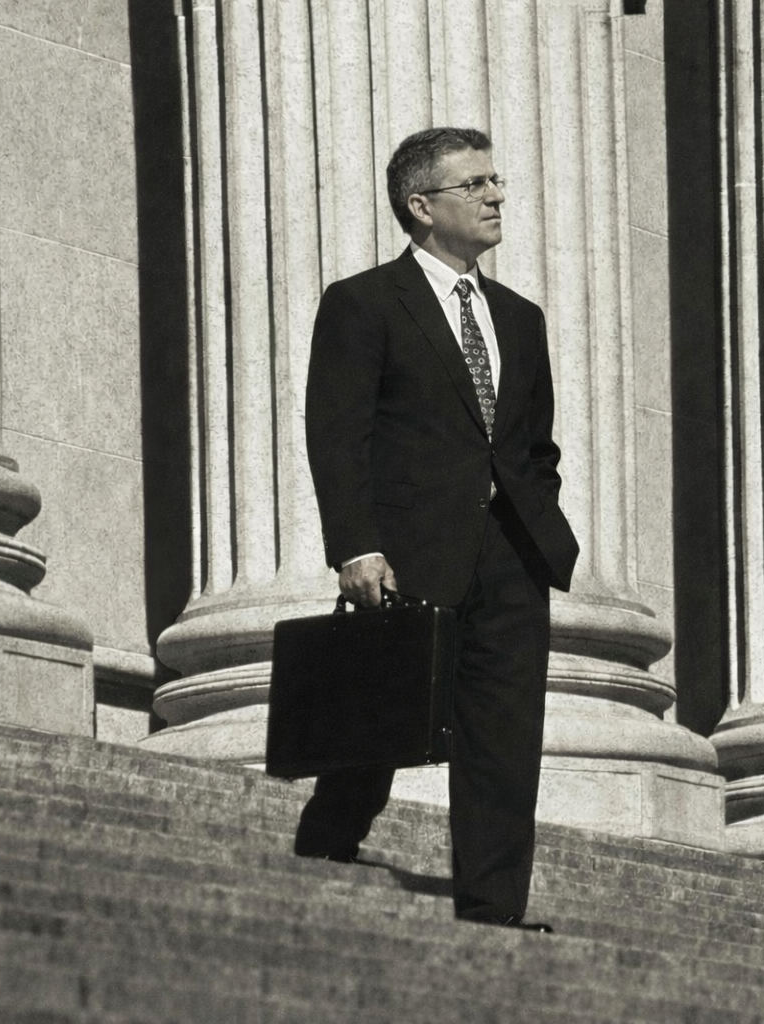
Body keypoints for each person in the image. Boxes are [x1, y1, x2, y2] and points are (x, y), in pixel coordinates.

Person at [297, 127, 579, 933]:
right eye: (475, 185)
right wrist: (355, 542)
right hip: (407, 547)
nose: (496, 197)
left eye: (497, 181)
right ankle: (324, 849)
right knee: (380, 721)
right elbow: (337, 432)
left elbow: (534, 443)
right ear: (420, 207)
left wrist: (539, 518)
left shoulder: (519, 318)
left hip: (514, 551)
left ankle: (493, 910)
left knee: (504, 734)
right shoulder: (362, 302)